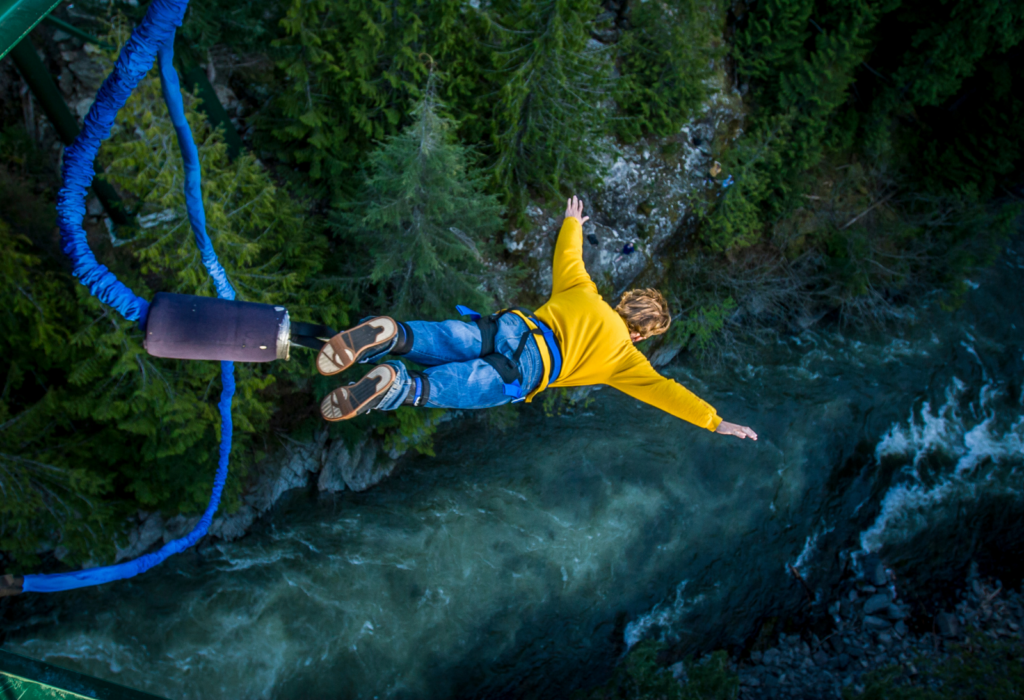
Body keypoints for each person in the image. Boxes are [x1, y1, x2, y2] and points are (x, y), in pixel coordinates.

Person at [316, 196, 757, 441]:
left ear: (623, 301)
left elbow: (569, 255)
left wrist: (573, 222)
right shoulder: (625, 360)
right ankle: (398, 384)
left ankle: (393, 334)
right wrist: (715, 421)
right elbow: (667, 393)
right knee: (452, 387)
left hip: (512, 327)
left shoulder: (583, 291)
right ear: (640, 334)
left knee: (451, 337)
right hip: (529, 369)